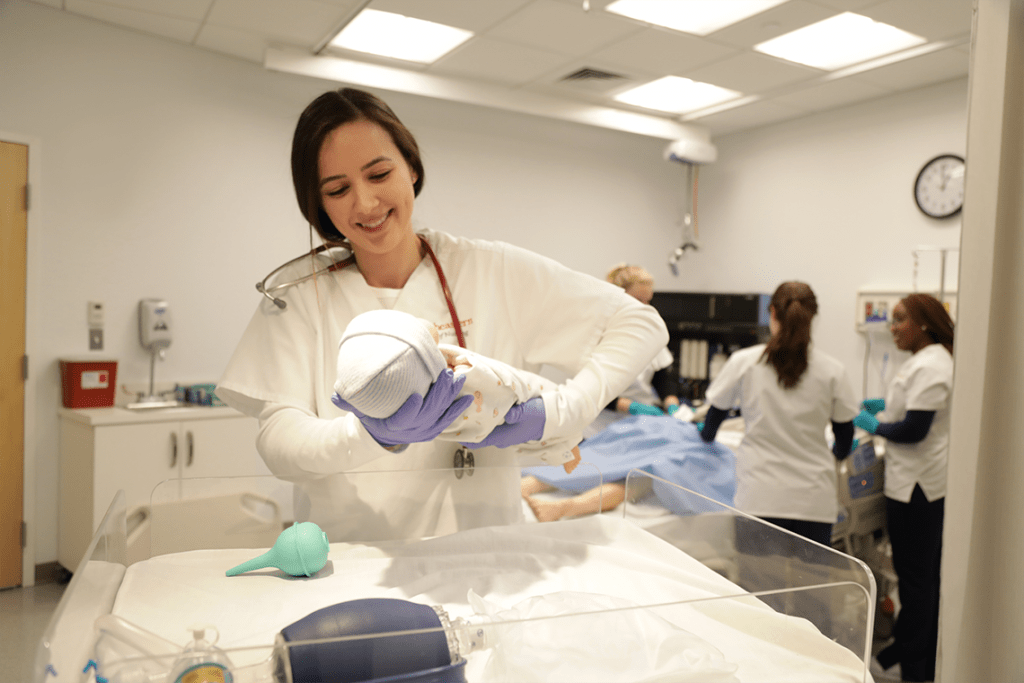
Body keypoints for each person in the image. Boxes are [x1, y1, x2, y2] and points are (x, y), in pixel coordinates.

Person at [216, 87, 667, 542]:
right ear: (320, 204)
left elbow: (640, 324)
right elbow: (279, 444)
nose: (366, 203)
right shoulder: (299, 296)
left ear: (411, 167)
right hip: (357, 565)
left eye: (379, 174)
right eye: (338, 189)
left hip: (487, 556)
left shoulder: (489, 269)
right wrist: (369, 434)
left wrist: (565, 411)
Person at [699, 281, 859, 545]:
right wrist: (835, 456)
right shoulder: (832, 370)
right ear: (813, 317)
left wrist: (704, 436)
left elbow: (711, 425)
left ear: (771, 313)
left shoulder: (745, 362)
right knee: (811, 584)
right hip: (813, 500)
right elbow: (844, 437)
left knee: (759, 584)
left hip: (761, 497)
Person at [332, 309, 581, 472]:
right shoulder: (457, 373)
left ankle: (566, 444)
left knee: (543, 419)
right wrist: (376, 437)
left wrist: (555, 418)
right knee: (537, 415)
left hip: (494, 486)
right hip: (374, 512)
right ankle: (566, 445)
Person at [855, 294, 953, 683]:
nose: (891, 327)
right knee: (921, 579)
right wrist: (885, 407)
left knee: (916, 583)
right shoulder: (927, 362)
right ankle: (909, 653)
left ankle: (915, 669)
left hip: (917, 488)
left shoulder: (932, 366)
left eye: (899, 320)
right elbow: (911, 410)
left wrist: (872, 423)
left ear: (924, 324)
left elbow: (914, 429)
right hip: (916, 483)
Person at [604, 264, 681, 417]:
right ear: (618, 297)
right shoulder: (599, 333)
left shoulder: (649, 331)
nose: (645, 308)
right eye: (639, 300)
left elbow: (663, 379)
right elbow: (589, 391)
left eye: (648, 301)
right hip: (602, 424)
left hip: (639, 422)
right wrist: (631, 406)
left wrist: (673, 406)